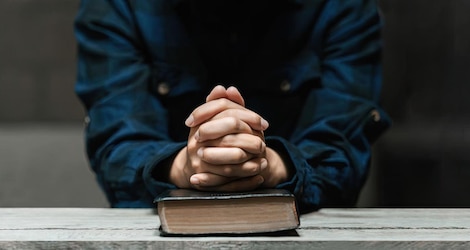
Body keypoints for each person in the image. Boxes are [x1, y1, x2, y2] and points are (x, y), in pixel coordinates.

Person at [74, 0, 390, 213]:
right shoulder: (119, 6)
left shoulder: (341, 7)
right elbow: (117, 146)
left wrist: (270, 165)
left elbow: (341, 155)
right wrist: (185, 165)